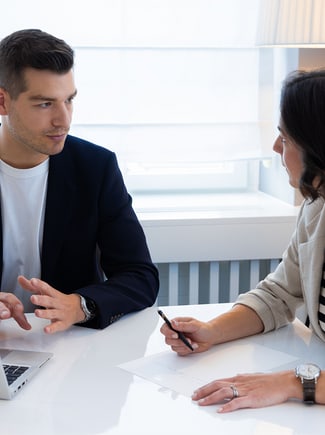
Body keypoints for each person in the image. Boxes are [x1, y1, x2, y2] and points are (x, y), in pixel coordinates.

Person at [160, 69, 325, 412]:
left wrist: (291, 382)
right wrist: (211, 330)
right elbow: (278, 294)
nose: (275, 147)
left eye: (286, 137)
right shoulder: (316, 208)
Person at [0, 29, 159, 334]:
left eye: (69, 100)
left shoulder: (96, 168)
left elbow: (140, 276)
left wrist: (80, 305)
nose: (64, 120)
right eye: (45, 104)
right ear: (2, 102)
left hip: (69, 345)